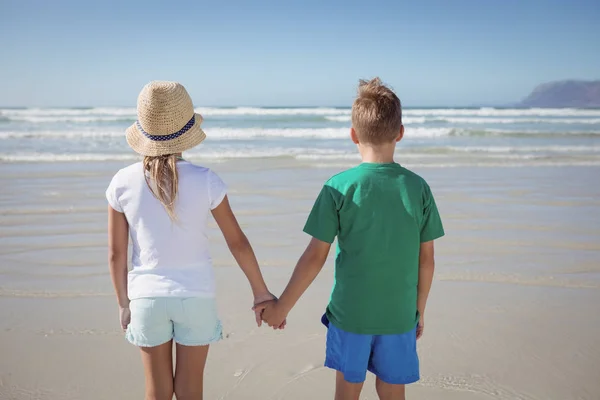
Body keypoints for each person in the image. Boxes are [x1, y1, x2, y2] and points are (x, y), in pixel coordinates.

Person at [256, 78, 445, 400]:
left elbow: (314, 257)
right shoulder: (418, 188)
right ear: (400, 133)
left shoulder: (338, 187)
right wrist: (419, 311)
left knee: (347, 391)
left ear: (353, 135)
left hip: (350, 315)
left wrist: (280, 308)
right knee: (391, 390)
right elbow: (426, 260)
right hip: (399, 315)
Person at [106, 81, 275, 400]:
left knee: (156, 392)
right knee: (190, 390)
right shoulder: (206, 179)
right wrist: (260, 291)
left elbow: (116, 253)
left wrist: (123, 303)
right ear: (187, 130)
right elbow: (237, 241)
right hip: (196, 297)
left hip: (146, 298)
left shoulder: (122, 182)